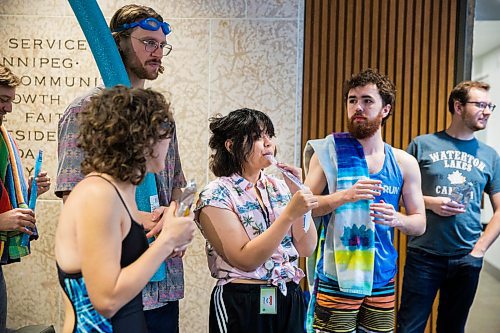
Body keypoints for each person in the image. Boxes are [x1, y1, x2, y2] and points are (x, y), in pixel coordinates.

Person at [55, 5, 187, 332]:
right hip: (116, 283)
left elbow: (173, 184)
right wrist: (159, 237)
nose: (157, 53)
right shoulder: (84, 114)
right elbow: (80, 202)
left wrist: (169, 223)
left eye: (161, 45)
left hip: (161, 284)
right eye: (147, 43)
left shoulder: (160, 118)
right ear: (119, 43)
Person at [303, 69, 426, 333]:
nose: (358, 107)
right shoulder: (328, 154)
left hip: (382, 278)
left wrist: (397, 219)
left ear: (385, 109)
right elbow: (305, 209)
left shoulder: (404, 163)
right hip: (336, 276)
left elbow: (420, 223)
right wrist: (345, 196)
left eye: (367, 100)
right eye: (352, 100)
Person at [194, 108, 319, 333]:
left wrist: (298, 191)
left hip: (288, 295)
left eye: (269, 136)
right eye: (256, 138)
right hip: (242, 299)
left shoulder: (279, 186)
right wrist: (289, 213)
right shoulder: (215, 195)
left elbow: (307, 247)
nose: (268, 143)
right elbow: (245, 259)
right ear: (231, 146)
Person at [397, 81, 500, 333]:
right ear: (458, 106)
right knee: (409, 327)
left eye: (490, 106)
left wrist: (480, 249)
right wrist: (432, 203)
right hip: (424, 256)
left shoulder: (489, 155)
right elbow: (397, 196)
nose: (487, 111)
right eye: (480, 104)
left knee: (453, 328)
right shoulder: (422, 145)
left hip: (467, 258)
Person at [0, 65, 51, 332]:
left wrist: (28, 189)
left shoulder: (2, 138)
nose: (8, 109)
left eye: (10, 101)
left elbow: (3, 192)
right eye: (3, 100)